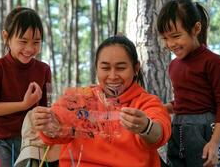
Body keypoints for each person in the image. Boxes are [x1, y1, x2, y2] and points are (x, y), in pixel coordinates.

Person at [31, 35, 171, 167]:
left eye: (121, 68)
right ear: (96, 69)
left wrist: (146, 127)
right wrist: (48, 123)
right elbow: (55, 127)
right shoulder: (79, 98)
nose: (112, 76)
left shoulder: (147, 102)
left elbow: (159, 134)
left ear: (135, 68)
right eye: (105, 68)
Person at [156, 0, 220, 167]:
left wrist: (214, 142)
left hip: (206, 132)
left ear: (196, 29)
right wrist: (163, 108)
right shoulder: (173, 65)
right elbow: (186, 100)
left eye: (175, 36)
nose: (170, 44)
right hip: (179, 130)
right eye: (165, 38)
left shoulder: (213, 61)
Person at [0, 7, 58, 167]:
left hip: (31, 140)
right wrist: (24, 105)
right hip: (1, 140)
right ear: (6, 37)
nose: (30, 49)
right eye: (23, 41)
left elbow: (47, 106)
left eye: (36, 42)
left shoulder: (44, 70)